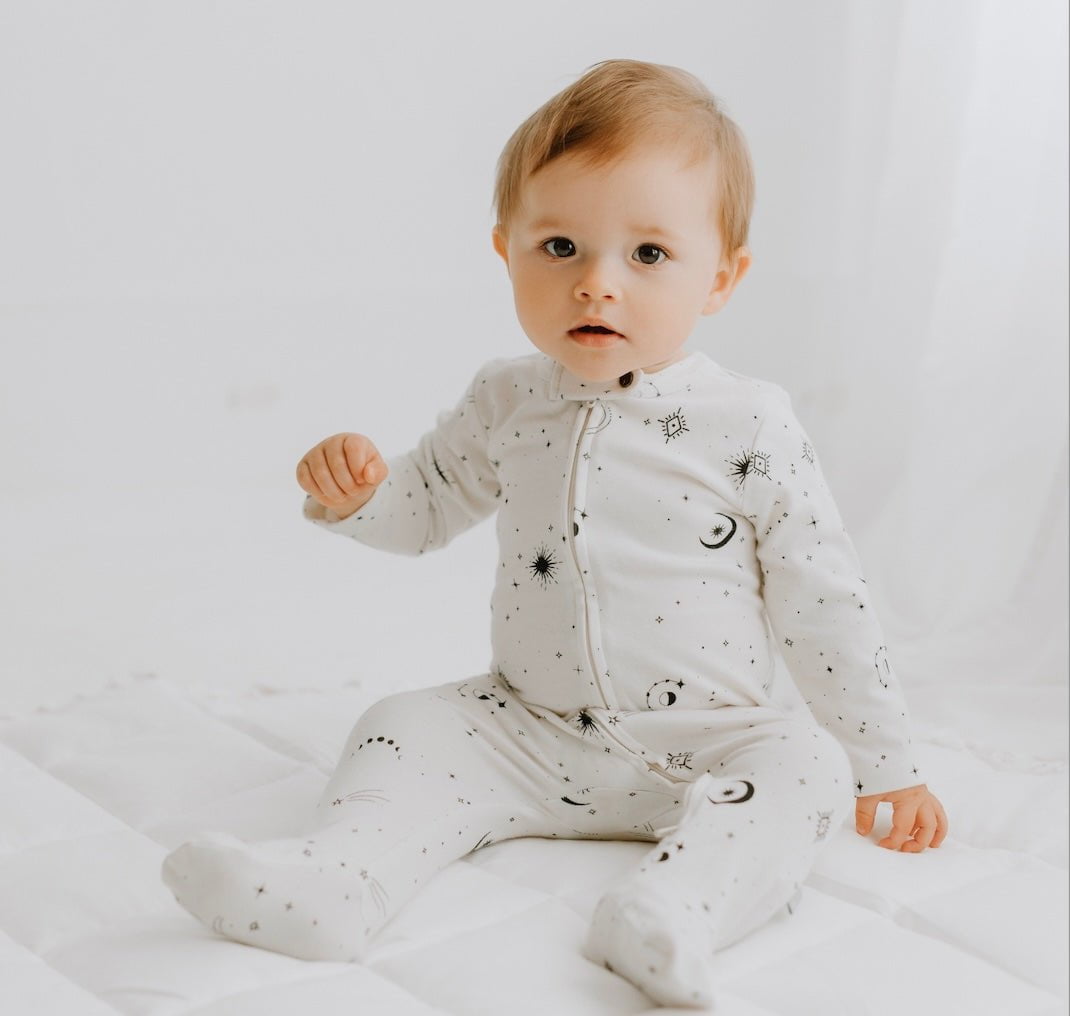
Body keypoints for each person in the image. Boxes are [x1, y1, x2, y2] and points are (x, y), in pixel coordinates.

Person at [162, 59, 949, 1008]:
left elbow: (826, 602)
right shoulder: (507, 399)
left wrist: (887, 764)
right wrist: (359, 493)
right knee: (403, 724)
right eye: (561, 246)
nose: (596, 286)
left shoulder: (750, 424)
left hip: (713, 741)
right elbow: (424, 511)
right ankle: (337, 884)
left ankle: (674, 909)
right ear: (507, 252)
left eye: (648, 255)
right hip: (527, 732)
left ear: (723, 278)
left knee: (807, 769)